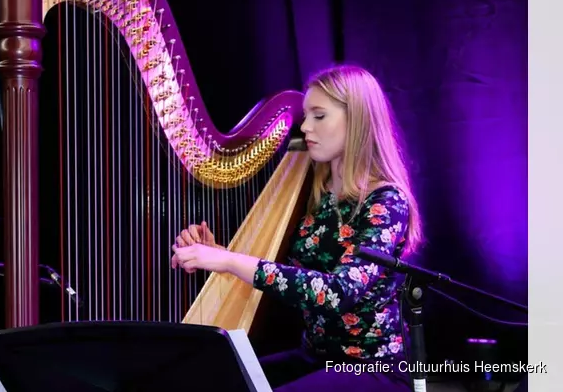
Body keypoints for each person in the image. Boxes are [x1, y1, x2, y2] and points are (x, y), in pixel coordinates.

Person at [171, 64, 423, 391]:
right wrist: (221, 254)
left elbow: (337, 293)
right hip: (315, 357)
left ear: (357, 120)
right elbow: (294, 276)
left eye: (319, 116)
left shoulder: (387, 202)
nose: (305, 127)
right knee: (204, 379)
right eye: (306, 116)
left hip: (371, 367)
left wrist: (230, 262)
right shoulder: (315, 190)